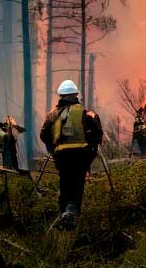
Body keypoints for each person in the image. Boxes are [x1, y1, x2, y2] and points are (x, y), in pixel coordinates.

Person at [39, 79, 103, 230]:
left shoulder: (52, 115)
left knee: (65, 183)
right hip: (81, 155)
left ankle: (64, 214)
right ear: (76, 95)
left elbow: (43, 135)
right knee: (77, 183)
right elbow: (98, 134)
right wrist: (91, 151)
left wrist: (54, 149)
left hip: (62, 155)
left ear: (60, 95)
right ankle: (73, 213)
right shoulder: (86, 113)